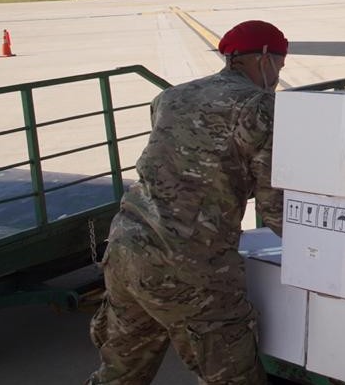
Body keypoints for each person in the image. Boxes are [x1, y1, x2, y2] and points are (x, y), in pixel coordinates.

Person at [88, 20, 288, 384]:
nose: (276, 77)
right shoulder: (260, 107)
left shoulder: (171, 96)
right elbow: (276, 209)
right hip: (190, 266)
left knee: (119, 374)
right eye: (279, 65)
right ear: (264, 58)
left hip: (126, 250)